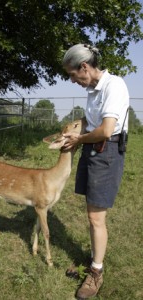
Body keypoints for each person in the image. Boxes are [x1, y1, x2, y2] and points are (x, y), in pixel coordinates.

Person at [62, 44, 129, 299]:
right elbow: (92, 126)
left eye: (72, 74)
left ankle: (96, 272)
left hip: (106, 152)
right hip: (92, 150)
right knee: (92, 215)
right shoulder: (92, 90)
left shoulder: (114, 86)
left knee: (96, 217)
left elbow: (105, 130)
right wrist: (76, 136)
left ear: (85, 67)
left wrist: (80, 140)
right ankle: (93, 260)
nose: (72, 80)